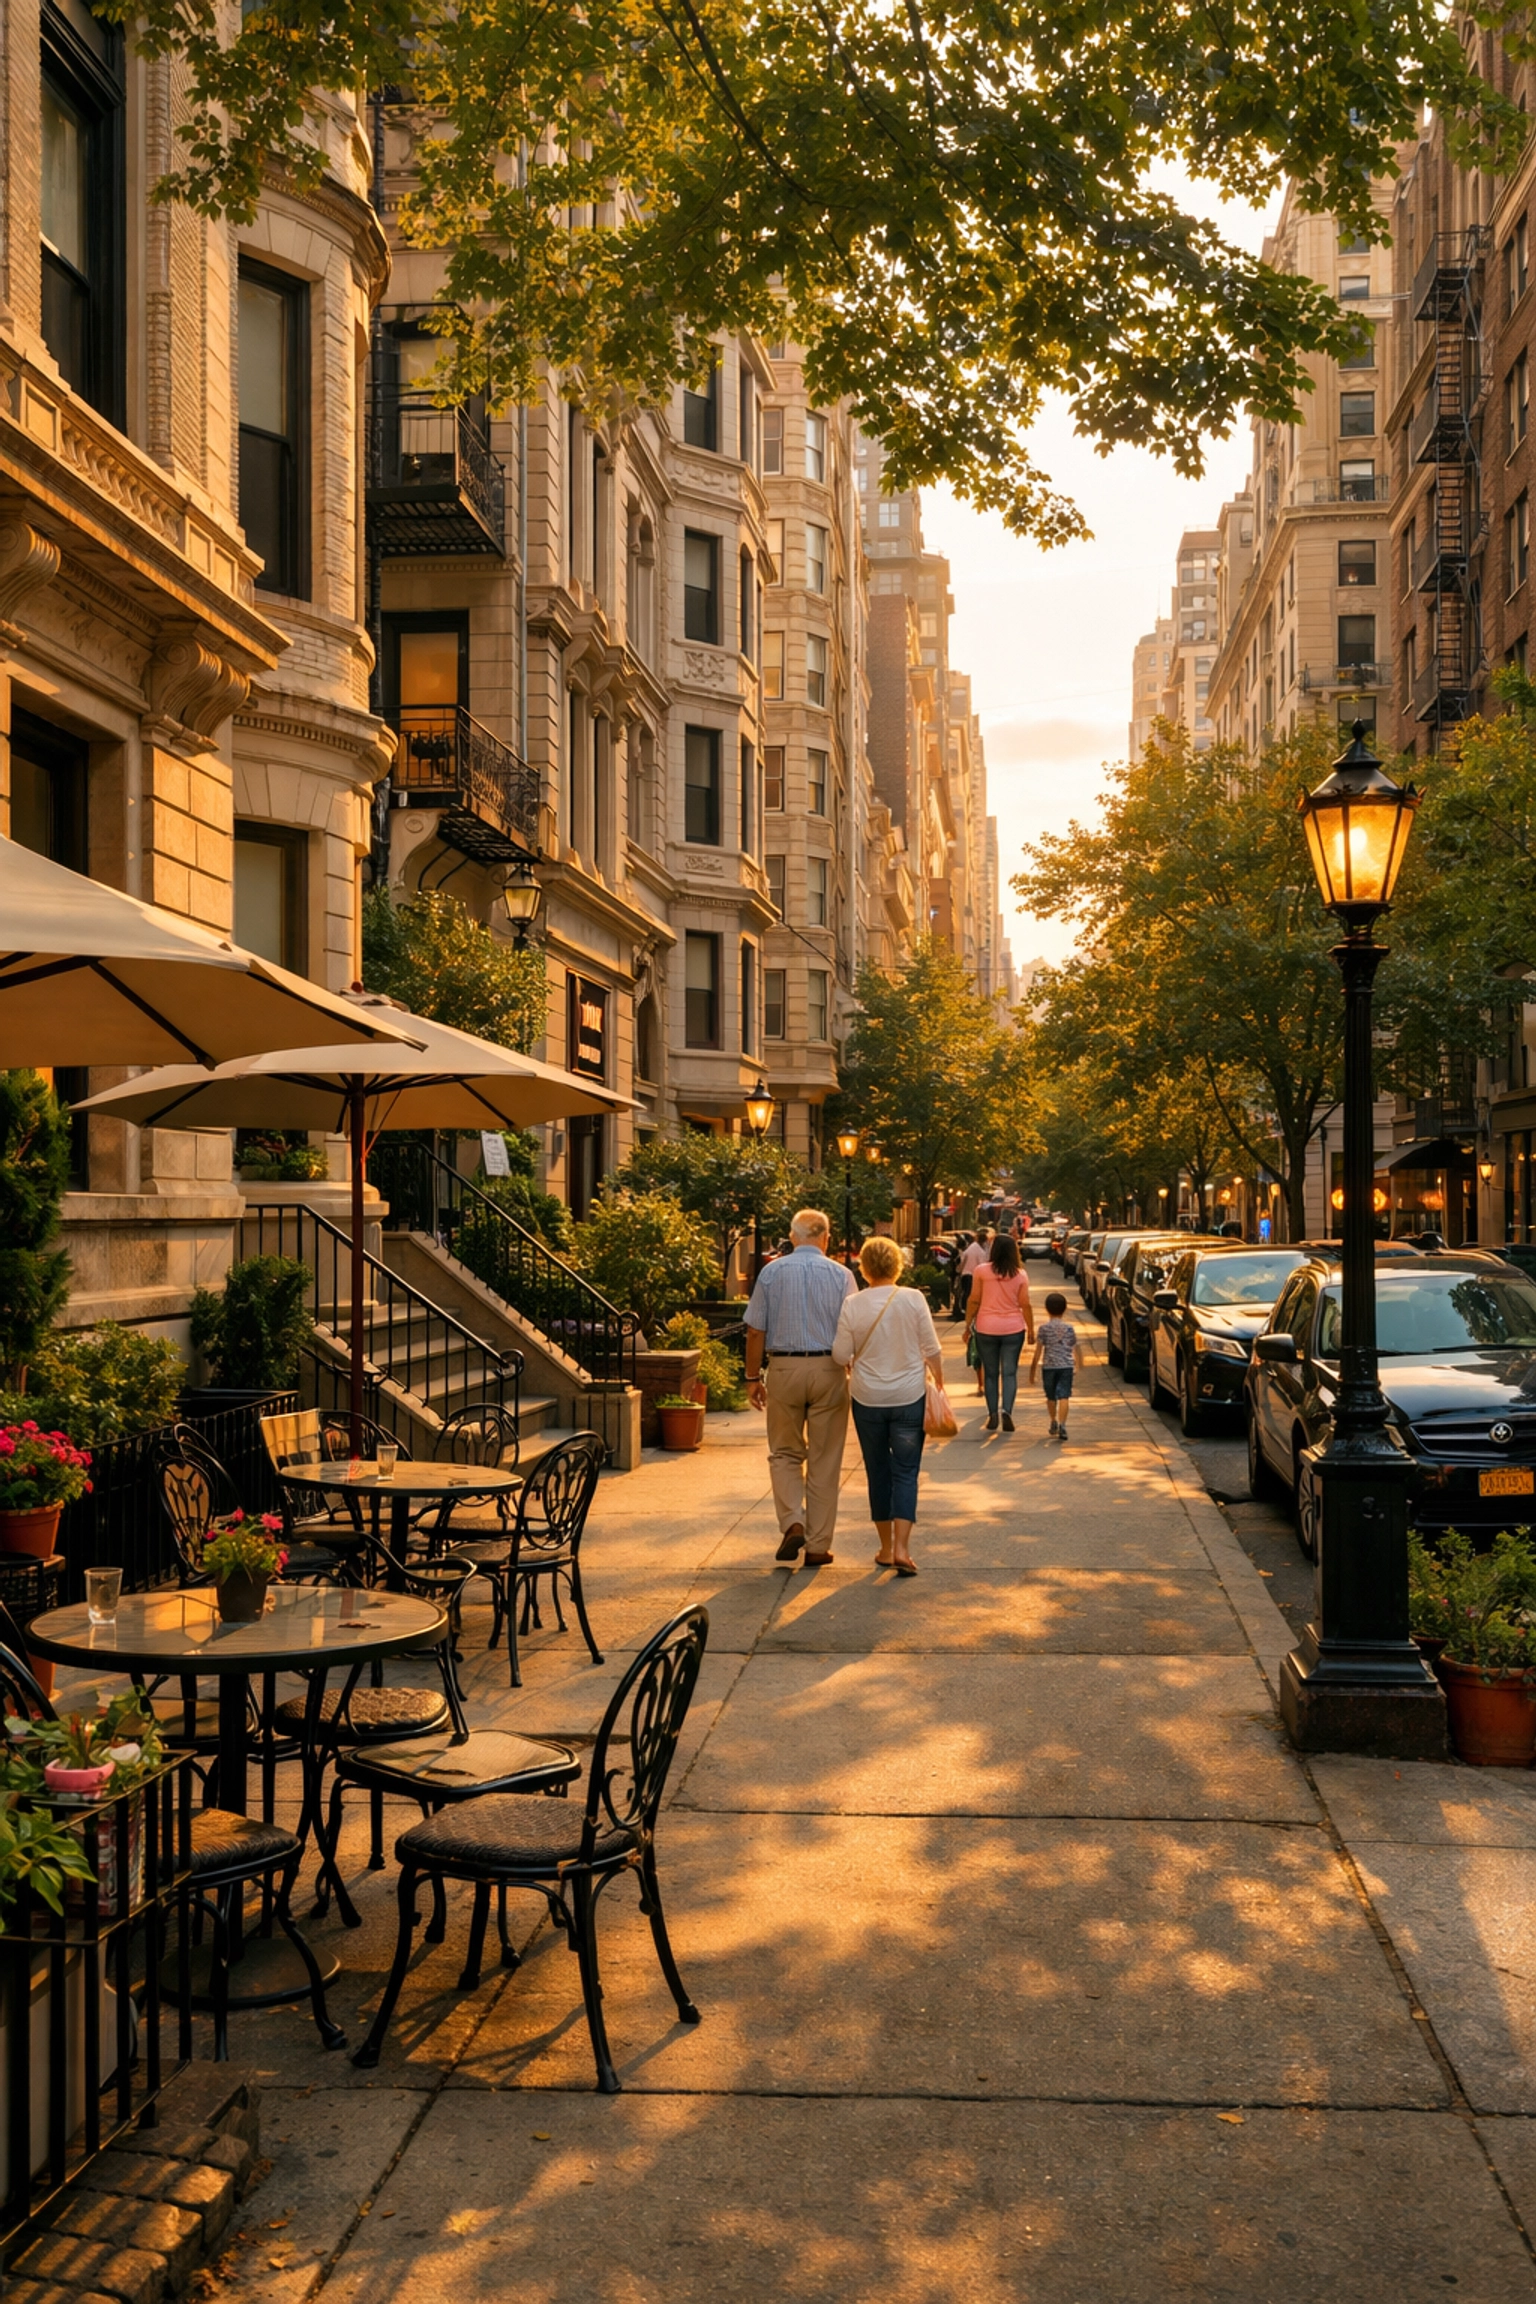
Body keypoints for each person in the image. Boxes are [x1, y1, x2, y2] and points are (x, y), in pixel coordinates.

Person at [744, 1208, 857, 1566]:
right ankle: (818, 1546)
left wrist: (751, 1377)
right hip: (829, 1368)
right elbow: (853, 1328)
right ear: (827, 1238)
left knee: (784, 1452)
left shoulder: (771, 1272)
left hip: (784, 1368)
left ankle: (793, 1520)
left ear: (792, 1237)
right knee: (825, 1459)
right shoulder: (842, 1276)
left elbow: (755, 1330)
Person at [832, 1234, 944, 1576]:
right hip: (910, 1398)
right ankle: (902, 1549)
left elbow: (839, 1354)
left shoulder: (854, 1304)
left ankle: (883, 1547)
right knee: (906, 1471)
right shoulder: (913, 1299)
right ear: (897, 1266)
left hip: (868, 1400)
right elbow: (932, 1349)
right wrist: (939, 1382)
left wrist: (853, 1362)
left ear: (864, 1269)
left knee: (877, 1470)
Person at [963, 1230, 1035, 1432]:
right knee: (1010, 1372)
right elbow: (1025, 1304)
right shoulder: (1020, 1274)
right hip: (1013, 1328)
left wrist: (968, 1325)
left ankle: (992, 1413)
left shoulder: (981, 1271)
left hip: (986, 1327)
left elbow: (974, 1299)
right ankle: (1007, 1412)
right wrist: (1031, 1329)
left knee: (991, 1373)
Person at [1028, 1290, 1085, 1441]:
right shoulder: (1069, 1328)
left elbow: (1038, 1351)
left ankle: (1053, 1421)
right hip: (1066, 1366)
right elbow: (1076, 1347)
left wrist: (1032, 1371)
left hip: (1049, 1367)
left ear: (1046, 1309)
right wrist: (1079, 1363)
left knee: (1051, 1396)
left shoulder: (1044, 1329)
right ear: (1065, 1309)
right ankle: (1063, 1425)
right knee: (1064, 1396)